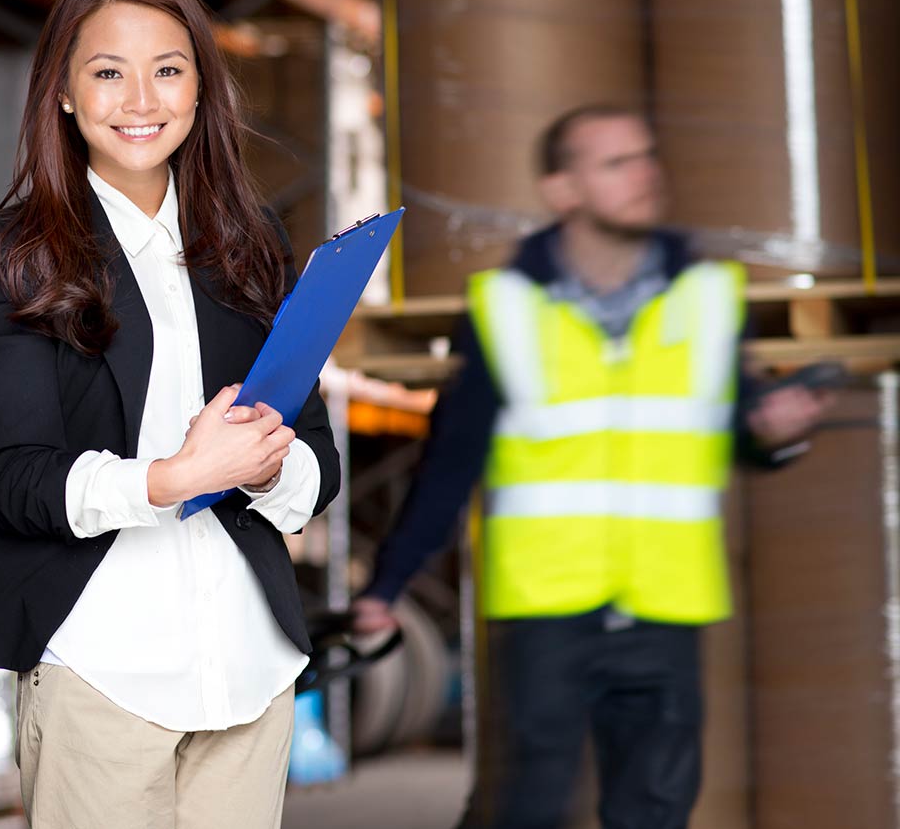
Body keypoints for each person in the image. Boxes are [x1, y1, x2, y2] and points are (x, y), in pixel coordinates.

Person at [352, 104, 833, 829]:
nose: (644, 176)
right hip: (549, 607)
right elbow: (453, 461)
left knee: (656, 810)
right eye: (616, 163)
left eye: (646, 157)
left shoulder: (708, 298)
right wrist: (388, 583)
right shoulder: (504, 308)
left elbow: (732, 432)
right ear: (562, 190)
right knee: (533, 807)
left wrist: (774, 432)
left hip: (668, 606)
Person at [0, 0, 341, 829]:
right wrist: (175, 475)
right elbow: (19, 479)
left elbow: (316, 460)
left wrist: (266, 470)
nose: (140, 99)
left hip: (249, 663)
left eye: (168, 69)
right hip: (101, 664)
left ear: (201, 86)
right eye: (107, 72)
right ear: (63, 93)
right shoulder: (12, 252)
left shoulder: (249, 244)